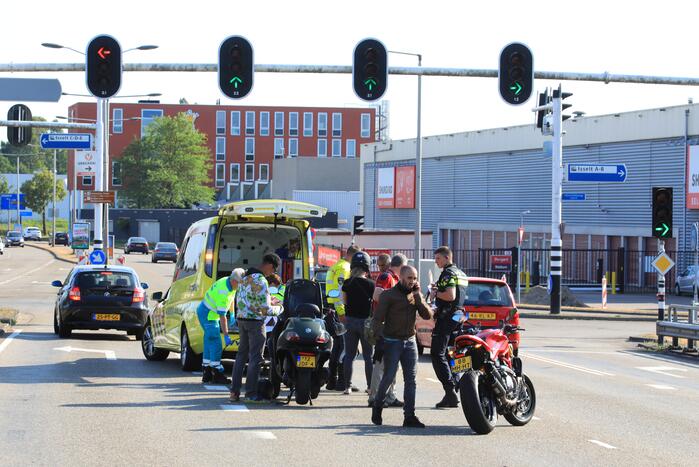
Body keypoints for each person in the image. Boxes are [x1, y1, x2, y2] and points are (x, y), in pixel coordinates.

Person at [371, 265, 432, 428]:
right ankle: (377, 406)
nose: (412, 281)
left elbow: (427, 315)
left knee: (411, 380)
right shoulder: (388, 295)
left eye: (415, 278)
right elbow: (377, 319)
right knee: (389, 376)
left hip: (410, 341)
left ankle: (409, 416)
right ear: (402, 277)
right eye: (409, 278)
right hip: (392, 341)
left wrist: (418, 296)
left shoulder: (415, 295)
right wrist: (379, 342)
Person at [230, 253, 282, 403]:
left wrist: (268, 300)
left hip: (241, 320)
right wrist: (279, 307)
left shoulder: (244, 278)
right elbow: (265, 309)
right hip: (255, 322)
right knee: (255, 358)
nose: (272, 274)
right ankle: (251, 394)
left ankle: (234, 392)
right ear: (271, 266)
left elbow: (248, 300)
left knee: (240, 357)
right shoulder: (261, 281)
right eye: (273, 271)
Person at [430, 246, 469, 408]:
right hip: (460, 316)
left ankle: (450, 391)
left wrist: (435, 293)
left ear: (447, 258)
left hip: (448, 316)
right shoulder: (461, 273)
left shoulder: (448, 273)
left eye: (438, 258)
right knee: (453, 353)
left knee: (437, 353)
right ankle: (459, 381)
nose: (436, 261)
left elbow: (450, 295)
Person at [368, 253, 408, 408]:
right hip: (383, 326)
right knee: (381, 362)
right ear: (401, 266)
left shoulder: (397, 279)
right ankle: (374, 397)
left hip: (393, 326)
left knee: (393, 363)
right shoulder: (387, 277)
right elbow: (377, 295)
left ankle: (390, 396)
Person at [196, 268, 245, 384]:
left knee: (208, 342)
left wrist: (232, 313)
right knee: (216, 343)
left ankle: (207, 372)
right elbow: (222, 317)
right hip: (208, 315)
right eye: (240, 284)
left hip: (205, 311)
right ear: (235, 281)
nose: (241, 286)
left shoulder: (228, 282)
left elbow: (232, 298)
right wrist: (227, 335)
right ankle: (216, 373)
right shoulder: (223, 291)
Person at [325, 244, 360, 390]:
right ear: (352, 256)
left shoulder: (337, 265)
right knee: (345, 348)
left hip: (332, 309)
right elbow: (340, 292)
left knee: (338, 347)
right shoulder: (345, 269)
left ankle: (333, 381)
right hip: (339, 311)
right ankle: (342, 382)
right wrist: (342, 313)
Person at [341, 251, 375, 395]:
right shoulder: (371, 284)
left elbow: (344, 301)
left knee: (349, 355)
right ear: (367, 268)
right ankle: (369, 387)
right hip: (366, 322)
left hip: (350, 321)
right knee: (368, 356)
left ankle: (347, 386)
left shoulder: (347, 283)